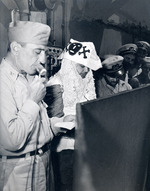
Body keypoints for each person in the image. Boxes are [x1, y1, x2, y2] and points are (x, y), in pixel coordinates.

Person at [0, 21, 73, 191]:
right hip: (17, 172)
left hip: (43, 164)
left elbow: (37, 128)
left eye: (44, 52)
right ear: (16, 48)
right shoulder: (3, 82)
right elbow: (12, 141)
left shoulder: (28, 75)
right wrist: (32, 102)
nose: (42, 60)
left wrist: (57, 124)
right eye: (37, 52)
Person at [45, 39, 102, 191]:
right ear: (70, 65)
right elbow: (54, 123)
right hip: (64, 149)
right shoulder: (56, 84)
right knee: (66, 184)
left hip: (83, 145)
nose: (86, 71)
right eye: (82, 66)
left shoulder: (86, 80)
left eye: (88, 67)